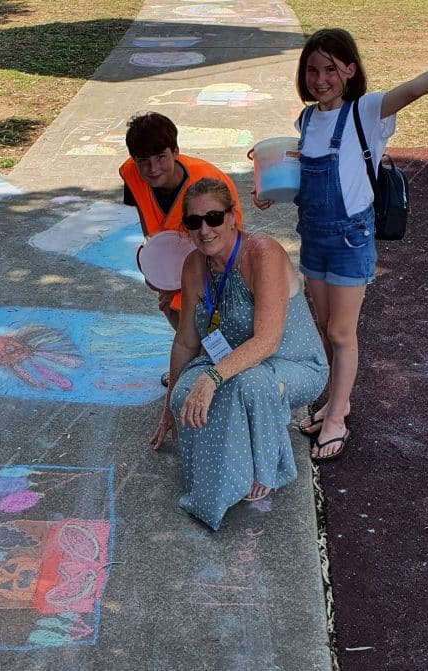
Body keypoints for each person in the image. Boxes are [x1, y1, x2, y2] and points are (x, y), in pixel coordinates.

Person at [253, 28, 428, 461]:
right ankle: (333, 399)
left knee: (342, 332)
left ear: (349, 69)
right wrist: (271, 192)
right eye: (311, 69)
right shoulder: (305, 121)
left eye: (330, 68)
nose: (320, 78)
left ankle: (338, 416)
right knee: (325, 329)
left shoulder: (367, 111)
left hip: (350, 238)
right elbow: (304, 179)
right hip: (313, 237)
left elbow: (418, 86)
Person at [150, 177, 328, 531]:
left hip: (291, 364)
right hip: (233, 361)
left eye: (214, 217)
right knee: (186, 394)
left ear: (233, 217)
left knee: (246, 382)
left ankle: (266, 466)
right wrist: (170, 403)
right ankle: (224, 472)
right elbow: (187, 341)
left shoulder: (262, 252)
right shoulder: (194, 266)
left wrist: (212, 378)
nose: (205, 229)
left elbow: (266, 342)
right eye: (194, 222)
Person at [120, 112, 244, 331]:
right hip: (173, 259)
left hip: (213, 258)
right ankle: (195, 359)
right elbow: (147, 224)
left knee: (214, 321)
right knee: (179, 320)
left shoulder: (207, 183)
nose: (153, 168)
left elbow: (228, 242)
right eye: (143, 161)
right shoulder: (133, 174)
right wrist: (156, 271)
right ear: (134, 159)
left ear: (175, 152)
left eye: (160, 157)